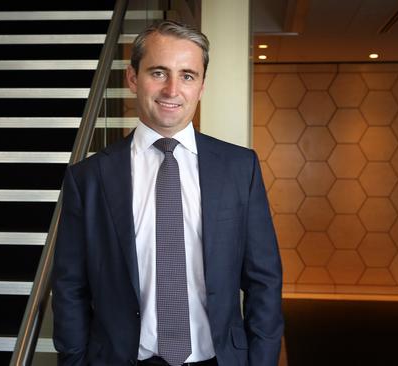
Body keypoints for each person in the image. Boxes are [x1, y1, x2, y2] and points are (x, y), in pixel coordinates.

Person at [52, 20, 283, 366]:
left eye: (188, 75)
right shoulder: (88, 178)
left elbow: (264, 280)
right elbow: (70, 286)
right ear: (133, 78)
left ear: (202, 86)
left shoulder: (239, 167)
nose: (172, 89)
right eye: (158, 73)